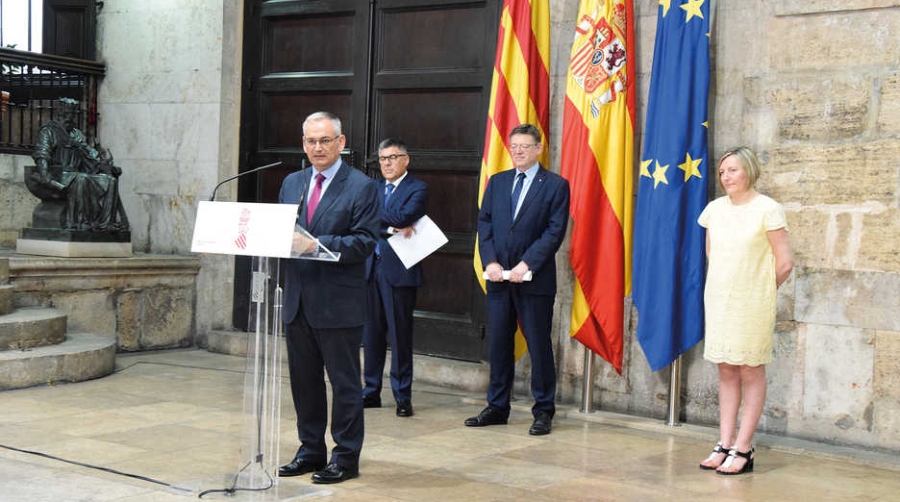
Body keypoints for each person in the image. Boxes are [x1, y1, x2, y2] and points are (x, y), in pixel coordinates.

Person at [277, 111, 379, 484]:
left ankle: (346, 457)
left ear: (341, 141)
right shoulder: (292, 182)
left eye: (324, 140)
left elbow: (365, 242)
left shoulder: (362, 186)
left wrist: (316, 245)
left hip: (338, 302)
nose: (316, 148)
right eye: (309, 141)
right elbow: (281, 232)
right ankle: (310, 450)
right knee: (304, 382)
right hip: (298, 300)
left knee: (345, 384)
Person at [465, 123, 570, 436]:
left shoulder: (555, 185)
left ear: (539, 149)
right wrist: (491, 260)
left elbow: (555, 230)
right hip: (498, 280)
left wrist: (527, 263)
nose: (519, 151)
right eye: (515, 146)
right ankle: (497, 407)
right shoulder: (497, 183)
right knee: (498, 345)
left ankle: (543, 411)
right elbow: (485, 225)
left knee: (539, 346)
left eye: (525, 146)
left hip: (534, 280)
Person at [697, 146, 793, 475]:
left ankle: (744, 447)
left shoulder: (768, 209)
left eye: (733, 170)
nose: (726, 177)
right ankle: (724, 443)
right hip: (720, 300)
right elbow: (714, 257)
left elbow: (784, 262)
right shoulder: (713, 210)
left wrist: (759, 292)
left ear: (749, 171)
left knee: (750, 370)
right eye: (723, 172)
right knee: (726, 368)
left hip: (753, 302)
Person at [362, 138, 428, 417]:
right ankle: (371, 391)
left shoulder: (418, 188)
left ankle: (402, 396)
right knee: (371, 334)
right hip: (369, 268)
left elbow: (405, 215)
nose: (386, 163)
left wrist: (385, 221)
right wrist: (391, 225)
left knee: (400, 335)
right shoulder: (371, 187)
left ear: (406, 159)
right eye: (382, 159)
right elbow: (361, 218)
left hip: (399, 270)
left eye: (392, 157)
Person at [31, 98, 129, 231]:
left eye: (72, 115)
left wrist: (107, 167)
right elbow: (42, 154)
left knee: (110, 181)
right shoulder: (48, 131)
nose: (70, 118)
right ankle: (80, 223)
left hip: (76, 173)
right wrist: (44, 173)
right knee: (82, 178)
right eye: (67, 115)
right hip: (60, 174)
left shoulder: (76, 134)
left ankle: (106, 223)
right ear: (60, 114)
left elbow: (90, 154)